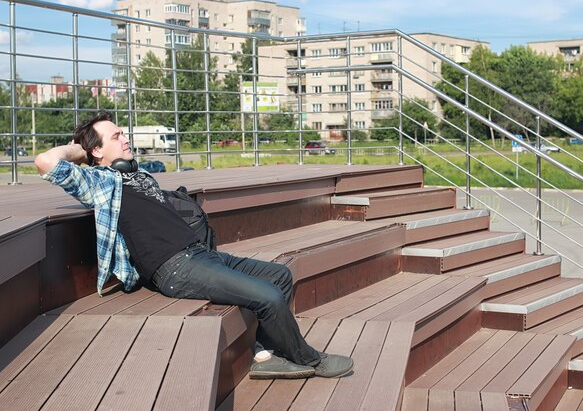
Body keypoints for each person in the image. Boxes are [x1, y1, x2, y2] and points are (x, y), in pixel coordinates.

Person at [35, 112, 353, 380]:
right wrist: (79, 149)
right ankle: (311, 360)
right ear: (97, 152)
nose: (126, 137)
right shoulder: (101, 184)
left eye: (123, 132)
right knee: (267, 297)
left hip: (201, 255)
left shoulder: (139, 175)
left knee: (279, 276)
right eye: (116, 135)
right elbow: (45, 162)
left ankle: (264, 354)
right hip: (176, 267)